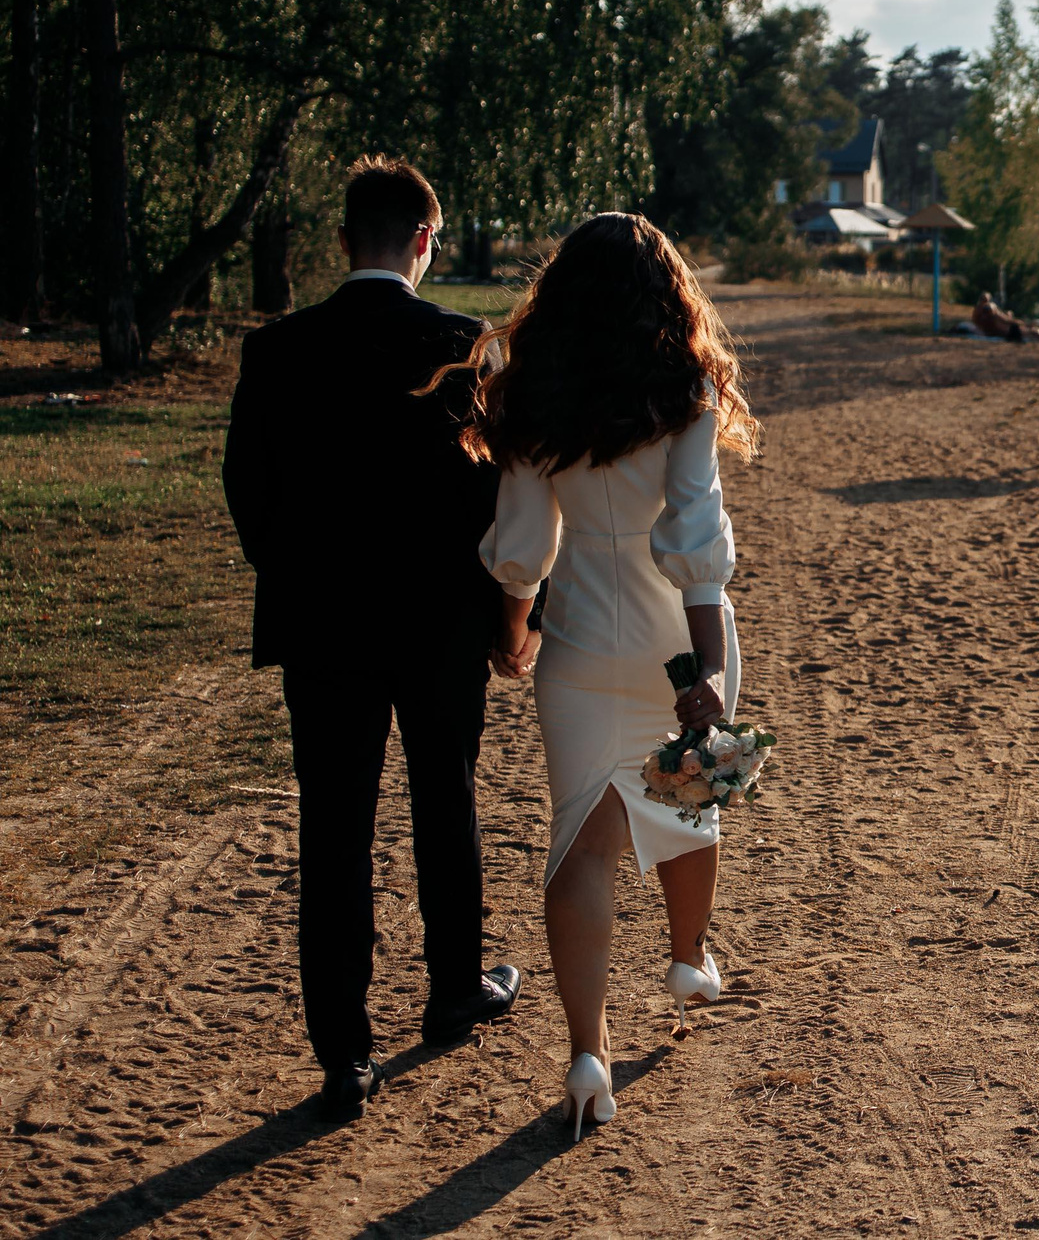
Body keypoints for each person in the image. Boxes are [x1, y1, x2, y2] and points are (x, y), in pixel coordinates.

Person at [222, 155, 522, 1118]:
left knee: (334, 827)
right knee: (446, 799)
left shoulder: (276, 349)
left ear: (344, 239)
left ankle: (343, 1054)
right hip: (442, 621)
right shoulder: (468, 346)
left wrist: (296, 573)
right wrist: (506, 614)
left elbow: (248, 491)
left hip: (322, 623)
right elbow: (501, 495)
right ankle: (453, 989)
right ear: (424, 240)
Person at [449, 213, 758, 1139]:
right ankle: (688, 955)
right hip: (674, 634)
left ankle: (588, 1053)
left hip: (579, 641)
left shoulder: (532, 387)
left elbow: (524, 543)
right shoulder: (685, 387)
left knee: (583, 841)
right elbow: (695, 531)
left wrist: (514, 630)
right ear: (666, 295)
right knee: (688, 799)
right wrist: (708, 668)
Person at [969, 290, 1039, 342]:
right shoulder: (990, 308)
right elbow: (1005, 320)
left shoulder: (977, 312)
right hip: (1007, 333)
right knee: (1033, 331)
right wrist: (1024, 323)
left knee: (1030, 331)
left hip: (992, 333)